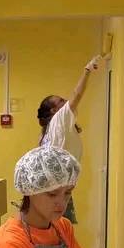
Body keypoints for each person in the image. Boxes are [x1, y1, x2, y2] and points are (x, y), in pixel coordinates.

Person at [36, 54, 103, 224]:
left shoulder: (46, 132)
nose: (65, 101)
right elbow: (77, 95)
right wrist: (87, 70)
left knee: (56, 228)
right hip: (55, 188)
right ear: (53, 111)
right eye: (60, 101)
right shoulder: (59, 119)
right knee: (60, 229)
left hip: (52, 187)